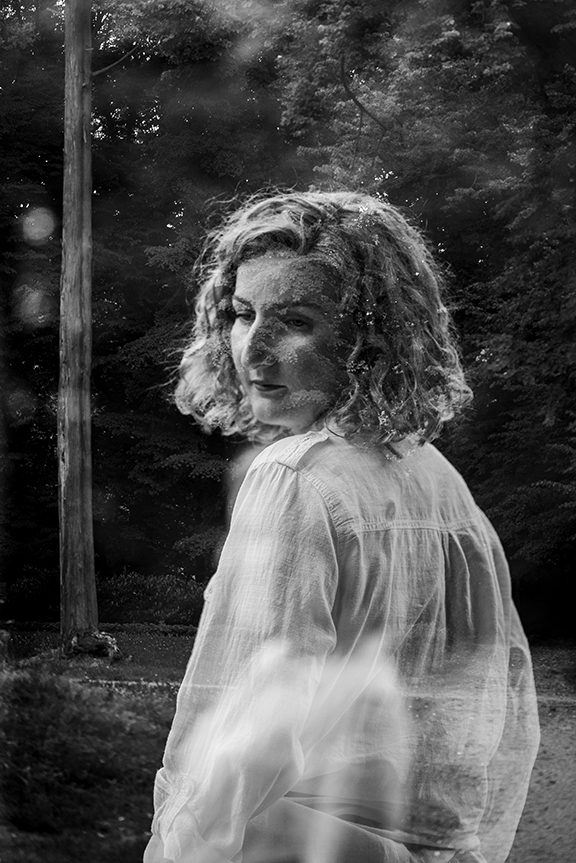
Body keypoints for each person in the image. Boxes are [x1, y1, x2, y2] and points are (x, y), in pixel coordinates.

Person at [144, 191, 539, 863]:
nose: (254, 346)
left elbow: (234, 745)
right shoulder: (435, 474)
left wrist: (174, 847)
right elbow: (499, 717)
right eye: (242, 313)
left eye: (295, 320)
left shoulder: (296, 477)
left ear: (368, 339)